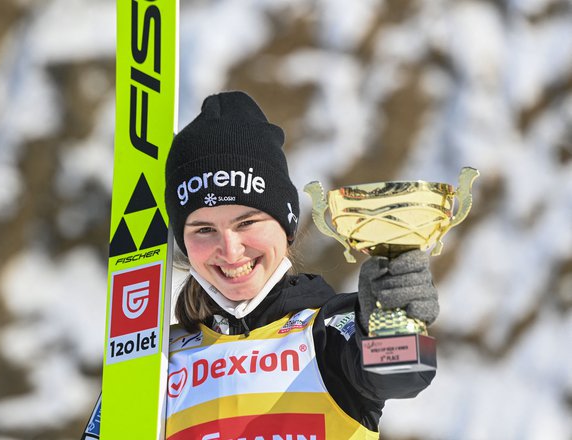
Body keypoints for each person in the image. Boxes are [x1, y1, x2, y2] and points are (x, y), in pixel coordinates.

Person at [163, 91, 439, 439]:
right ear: (183, 243)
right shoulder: (156, 359)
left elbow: (403, 373)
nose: (230, 250)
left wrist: (396, 320)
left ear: (287, 225)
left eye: (247, 223)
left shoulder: (331, 331)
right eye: (204, 230)